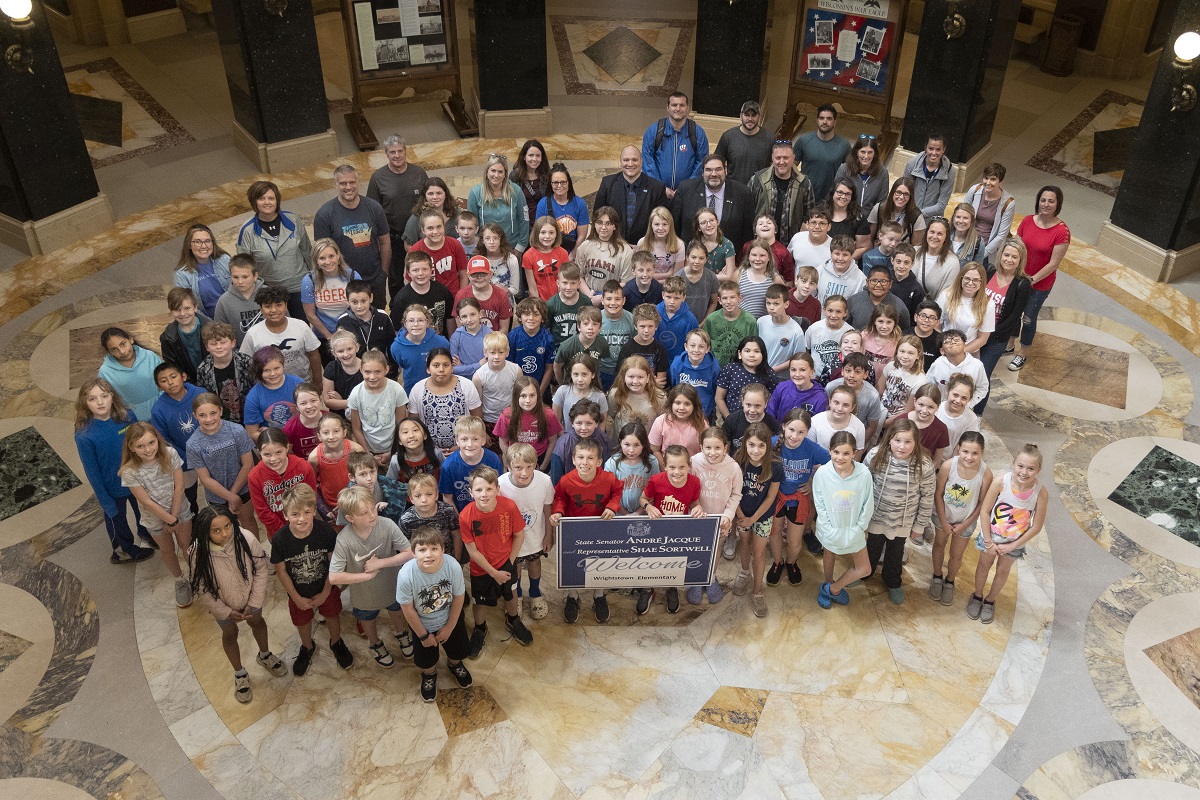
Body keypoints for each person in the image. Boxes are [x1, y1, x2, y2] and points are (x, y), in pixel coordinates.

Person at [189, 505, 286, 702]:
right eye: (216, 530)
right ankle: (240, 673)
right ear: (204, 531)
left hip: (251, 598)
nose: (224, 534)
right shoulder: (197, 552)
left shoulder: (246, 539)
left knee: (258, 622)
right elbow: (201, 587)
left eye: (227, 526)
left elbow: (260, 568)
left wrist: (254, 601)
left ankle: (265, 655)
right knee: (230, 634)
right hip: (224, 605)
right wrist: (224, 611)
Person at [330, 486, 416, 668]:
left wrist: (381, 564)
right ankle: (375, 643)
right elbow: (334, 577)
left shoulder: (387, 525)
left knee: (397, 611)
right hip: (364, 593)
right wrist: (366, 577)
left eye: (373, 508)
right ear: (350, 518)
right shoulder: (344, 539)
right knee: (367, 618)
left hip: (392, 585)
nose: (371, 515)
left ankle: (401, 634)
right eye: (363, 513)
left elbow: (410, 553)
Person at [270, 484, 352, 675]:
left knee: (332, 614)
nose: (301, 519)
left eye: (307, 512)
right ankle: (307, 647)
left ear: (314, 511)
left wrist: (325, 592)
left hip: (326, 586)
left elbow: (334, 563)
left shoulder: (326, 532)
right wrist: (295, 597)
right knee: (302, 620)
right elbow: (281, 570)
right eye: (295, 513)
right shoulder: (280, 539)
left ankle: (336, 642)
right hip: (298, 591)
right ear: (285, 514)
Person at [77, 380, 157, 565]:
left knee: (143, 509)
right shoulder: (84, 435)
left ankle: (146, 532)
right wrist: (105, 500)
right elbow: (92, 471)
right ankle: (123, 551)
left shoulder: (128, 417)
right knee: (117, 519)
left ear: (112, 396)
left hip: (138, 480)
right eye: (92, 398)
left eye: (104, 396)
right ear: (84, 403)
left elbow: (142, 445)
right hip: (112, 488)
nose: (100, 402)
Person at [968, 444, 1048, 624]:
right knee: (983, 566)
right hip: (991, 537)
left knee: (1003, 571)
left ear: (1038, 470)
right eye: (1020, 466)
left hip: (1014, 543)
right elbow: (985, 511)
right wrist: (988, 541)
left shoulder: (1040, 493)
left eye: (1031, 468)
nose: (1024, 472)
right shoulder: (1000, 482)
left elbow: (1036, 526)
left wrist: (1012, 545)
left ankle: (990, 600)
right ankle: (977, 595)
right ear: (1014, 464)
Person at [461, 465, 534, 654]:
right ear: (471, 492)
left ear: (497, 489)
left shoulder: (508, 506)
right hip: (481, 570)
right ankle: (480, 628)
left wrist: (508, 563)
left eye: (489, 489)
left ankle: (513, 620)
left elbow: (519, 535)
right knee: (480, 601)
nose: (484, 494)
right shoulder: (466, 516)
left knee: (511, 594)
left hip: (506, 564)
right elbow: (472, 550)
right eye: (478, 490)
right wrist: (493, 572)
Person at [550, 438, 624, 622]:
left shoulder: (607, 478)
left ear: (599, 461)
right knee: (572, 562)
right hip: (574, 529)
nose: (585, 462)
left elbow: (617, 492)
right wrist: (558, 512)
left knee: (601, 561)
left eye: (590, 458)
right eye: (580, 457)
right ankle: (572, 595)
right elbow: (559, 498)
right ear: (573, 460)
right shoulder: (567, 481)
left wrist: (612, 506)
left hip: (601, 527)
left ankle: (599, 595)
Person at [397, 526, 473, 702]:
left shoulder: (452, 565)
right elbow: (407, 608)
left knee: (458, 650)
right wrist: (423, 636)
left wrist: (449, 627)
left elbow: (459, 597)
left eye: (434, 548)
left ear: (443, 549)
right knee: (426, 661)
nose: (428, 554)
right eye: (422, 549)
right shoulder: (406, 574)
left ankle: (454, 664)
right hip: (422, 624)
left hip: (450, 619)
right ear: (413, 552)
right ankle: (429, 674)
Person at [120, 421, 193, 605]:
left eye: (151, 443)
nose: (147, 449)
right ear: (132, 447)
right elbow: (145, 501)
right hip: (155, 520)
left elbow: (180, 485)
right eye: (140, 446)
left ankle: (197, 575)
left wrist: (174, 518)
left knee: (187, 546)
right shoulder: (129, 471)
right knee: (167, 550)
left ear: (158, 440)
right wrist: (168, 520)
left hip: (180, 512)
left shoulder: (170, 454)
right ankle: (180, 581)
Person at [863, 419, 935, 604]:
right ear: (889, 439)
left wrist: (919, 525)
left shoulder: (924, 465)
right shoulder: (874, 455)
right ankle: (865, 573)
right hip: (876, 516)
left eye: (908, 442)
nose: (902, 447)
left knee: (895, 553)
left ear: (916, 442)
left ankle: (892, 581)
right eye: (897, 440)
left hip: (902, 522)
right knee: (871, 549)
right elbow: (863, 484)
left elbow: (927, 497)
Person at [638, 444, 705, 614]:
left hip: (678, 529)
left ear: (689, 466)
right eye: (672, 467)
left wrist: (697, 508)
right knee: (650, 559)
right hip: (657, 527)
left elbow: (694, 503)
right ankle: (647, 588)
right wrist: (648, 507)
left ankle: (671, 586)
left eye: (682, 467)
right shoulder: (657, 480)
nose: (677, 472)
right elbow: (643, 498)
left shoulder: (694, 482)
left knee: (675, 558)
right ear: (665, 466)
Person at [812, 430, 874, 609]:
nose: (840, 457)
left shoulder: (864, 474)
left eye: (846, 453)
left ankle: (832, 588)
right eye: (836, 452)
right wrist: (828, 528)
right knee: (829, 553)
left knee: (864, 568)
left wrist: (860, 527)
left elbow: (867, 502)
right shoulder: (822, 473)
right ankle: (828, 581)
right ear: (830, 451)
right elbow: (820, 504)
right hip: (830, 528)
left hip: (854, 529)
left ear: (854, 453)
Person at [929, 432, 991, 607]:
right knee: (939, 544)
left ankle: (949, 581)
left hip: (966, 521)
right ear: (958, 449)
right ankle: (936, 576)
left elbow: (982, 503)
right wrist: (943, 520)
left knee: (957, 554)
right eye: (965, 451)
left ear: (982, 452)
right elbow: (938, 493)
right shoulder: (948, 466)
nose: (969, 457)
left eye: (975, 453)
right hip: (944, 515)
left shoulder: (985, 474)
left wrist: (965, 524)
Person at [313, 165, 391, 305]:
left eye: (352, 182)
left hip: (374, 280)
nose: (348, 187)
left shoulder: (374, 208)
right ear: (336, 185)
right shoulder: (324, 214)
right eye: (343, 183)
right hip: (342, 283)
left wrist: (383, 274)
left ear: (358, 182)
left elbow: (385, 241)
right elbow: (321, 253)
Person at [1011, 186, 1069, 372]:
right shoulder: (1028, 221)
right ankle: (1009, 343)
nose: (1046, 204)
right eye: (1043, 200)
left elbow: (1054, 263)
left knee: (1028, 317)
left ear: (1058, 204)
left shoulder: (1062, 232)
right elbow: (1016, 248)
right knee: (1013, 312)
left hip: (1039, 284)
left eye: (1051, 201)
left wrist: (1032, 279)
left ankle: (1022, 353)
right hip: (1018, 277)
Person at [237, 180, 313, 321]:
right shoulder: (247, 231)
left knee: (302, 327)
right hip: (269, 292)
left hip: (298, 287)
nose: (267, 202)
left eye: (271, 198)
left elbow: (307, 251)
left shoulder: (293, 220)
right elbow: (243, 266)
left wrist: (315, 278)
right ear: (254, 202)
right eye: (261, 198)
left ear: (277, 200)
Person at [770, 409, 830, 581]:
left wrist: (812, 481)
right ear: (783, 427)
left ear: (807, 432)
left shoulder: (812, 449)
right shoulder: (773, 443)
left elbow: (832, 464)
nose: (794, 436)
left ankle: (791, 562)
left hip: (799, 499)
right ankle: (777, 562)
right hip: (776, 497)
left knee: (795, 541)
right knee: (774, 533)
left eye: (801, 432)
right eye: (791, 430)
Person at [187, 392, 259, 533]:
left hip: (243, 489)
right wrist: (230, 497)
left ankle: (254, 554)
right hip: (216, 496)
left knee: (248, 521)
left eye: (213, 413)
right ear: (195, 416)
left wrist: (234, 494)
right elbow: (205, 479)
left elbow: (248, 464)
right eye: (202, 415)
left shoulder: (237, 431)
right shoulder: (192, 444)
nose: (208, 419)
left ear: (220, 411)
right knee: (224, 529)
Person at [367, 134, 429, 296]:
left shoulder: (419, 173)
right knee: (395, 280)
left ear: (406, 151)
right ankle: (397, 309)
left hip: (419, 237)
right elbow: (372, 210)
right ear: (386, 154)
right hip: (392, 239)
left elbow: (429, 202)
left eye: (400, 151)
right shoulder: (378, 178)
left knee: (422, 274)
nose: (397, 156)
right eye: (392, 152)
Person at [731, 423, 782, 617]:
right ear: (744, 444)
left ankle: (758, 590)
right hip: (742, 514)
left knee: (759, 553)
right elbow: (732, 491)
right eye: (751, 444)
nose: (755, 450)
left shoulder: (775, 466)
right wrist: (742, 516)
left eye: (761, 445)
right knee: (744, 544)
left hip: (761, 517)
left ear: (768, 446)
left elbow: (770, 497)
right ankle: (744, 572)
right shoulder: (738, 461)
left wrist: (753, 519)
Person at [976, 238, 1031, 414]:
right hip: (974, 331)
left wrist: (988, 334)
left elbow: (1014, 317)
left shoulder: (1022, 284)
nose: (1009, 259)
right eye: (1006, 255)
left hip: (996, 338)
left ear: (1020, 260)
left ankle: (977, 413)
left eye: (1014, 257)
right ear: (1000, 256)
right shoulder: (989, 271)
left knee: (982, 375)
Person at [688, 428, 741, 604]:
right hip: (696, 517)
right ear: (701, 447)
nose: (712, 453)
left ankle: (710, 577)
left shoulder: (733, 467)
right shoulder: (693, 462)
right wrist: (695, 507)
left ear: (725, 447)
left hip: (720, 519)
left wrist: (728, 515)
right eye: (708, 448)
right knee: (696, 549)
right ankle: (696, 578)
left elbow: (736, 494)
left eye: (717, 448)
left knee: (715, 549)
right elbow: (685, 488)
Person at [673, 154, 755, 253]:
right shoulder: (685, 189)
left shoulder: (742, 193)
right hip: (692, 258)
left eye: (718, 169)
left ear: (726, 171)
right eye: (708, 170)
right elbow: (674, 226)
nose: (714, 174)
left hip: (730, 260)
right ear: (702, 172)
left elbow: (747, 233)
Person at [239, 285, 322, 383]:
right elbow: (245, 362)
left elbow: (313, 355)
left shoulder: (301, 326)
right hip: (268, 386)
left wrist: (318, 382)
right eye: (268, 306)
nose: (273, 310)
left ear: (286, 305)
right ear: (260, 309)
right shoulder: (253, 333)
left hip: (302, 384)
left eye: (278, 305)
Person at [248, 427, 318, 540]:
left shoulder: (303, 466)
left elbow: (312, 497)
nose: (273, 459)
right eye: (267, 454)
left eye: (278, 452)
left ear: (287, 447)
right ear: (259, 452)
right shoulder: (254, 476)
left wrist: (303, 522)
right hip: (277, 533)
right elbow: (262, 511)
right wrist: (284, 531)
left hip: (305, 525)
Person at [407, 348, 481, 453]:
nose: (441, 369)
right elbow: (414, 423)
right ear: (428, 369)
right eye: (436, 365)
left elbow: (476, 419)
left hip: (464, 449)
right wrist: (430, 448)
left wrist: (461, 446)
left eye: (446, 365)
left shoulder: (466, 385)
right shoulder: (418, 389)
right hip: (430, 450)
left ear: (452, 368)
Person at [592, 145, 669, 243]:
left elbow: (663, 220)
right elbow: (597, 216)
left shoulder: (656, 188)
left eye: (634, 160)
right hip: (612, 245)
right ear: (620, 162)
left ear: (641, 162)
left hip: (645, 247)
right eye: (626, 160)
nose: (630, 163)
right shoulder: (607, 184)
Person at [641, 91, 709, 196]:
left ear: (688, 108)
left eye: (682, 105)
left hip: (687, 194)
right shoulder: (654, 131)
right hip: (658, 193)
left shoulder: (697, 132)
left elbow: (702, 162)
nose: (678, 109)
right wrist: (660, 187)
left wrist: (686, 188)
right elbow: (647, 161)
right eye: (674, 105)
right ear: (667, 107)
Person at [751, 140, 817, 246]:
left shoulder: (804, 183)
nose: (782, 162)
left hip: (791, 243)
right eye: (778, 158)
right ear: (772, 158)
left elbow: (810, 213)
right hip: (760, 243)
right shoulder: (757, 180)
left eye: (786, 158)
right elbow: (747, 210)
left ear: (793, 158)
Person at [302, 238, 360, 347]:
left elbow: (361, 307)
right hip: (323, 336)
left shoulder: (353, 276)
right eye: (322, 258)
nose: (328, 262)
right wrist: (329, 337)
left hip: (351, 334)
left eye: (331, 256)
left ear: (338, 256)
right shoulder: (309, 280)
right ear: (316, 261)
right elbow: (310, 315)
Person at [467, 153, 531, 253]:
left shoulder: (516, 191)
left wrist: (520, 247)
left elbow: (524, 219)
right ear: (486, 172)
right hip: (485, 248)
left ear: (505, 173)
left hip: (511, 247)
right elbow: (470, 224)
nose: (496, 175)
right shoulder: (475, 193)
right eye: (493, 171)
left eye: (500, 172)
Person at [98, 327, 162, 423]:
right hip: (132, 420)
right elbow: (106, 399)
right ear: (110, 353)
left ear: (130, 339)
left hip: (161, 410)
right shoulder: (105, 372)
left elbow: (164, 380)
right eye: (114, 349)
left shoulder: (150, 357)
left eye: (123, 344)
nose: (122, 351)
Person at [496, 376, 562, 470]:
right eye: (523, 396)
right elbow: (503, 442)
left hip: (540, 458)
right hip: (515, 459)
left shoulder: (548, 414)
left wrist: (543, 466)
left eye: (532, 395)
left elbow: (553, 441)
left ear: (538, 396)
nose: (528, 401)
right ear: (516, 396)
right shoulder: (506, 415)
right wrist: (511, 463)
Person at [195, 322, 255, 424]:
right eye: (213, 344)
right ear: (207, 347)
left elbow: (255, 388)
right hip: (222, 420)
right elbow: (205, 397)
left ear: (232, 343)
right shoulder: (203, 369)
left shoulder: (246, 361)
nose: (219, 347)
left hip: (248, 415)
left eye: (223, 342)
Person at [308, 413, 363, 521]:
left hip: (355, 498)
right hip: (331, 503)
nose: (331, 437)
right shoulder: (314, 458)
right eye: (326, 432)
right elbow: (313, 483)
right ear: (319, 436)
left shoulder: (356, 450)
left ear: (344, 432)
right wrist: (323, 508)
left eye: (336, 431)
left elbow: (364, 474)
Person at [793, 104, 853, 202]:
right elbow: (792, 165)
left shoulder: (844, 145)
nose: (825, 122)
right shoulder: (804, 140)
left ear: (835, 122)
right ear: (817, 120)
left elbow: (850, 172)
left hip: (830, 199)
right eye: (821, 118)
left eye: (829, 119)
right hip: (804, 196)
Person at [390, 303, 451, 397]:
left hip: (439, 390)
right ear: (405, 324)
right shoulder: (396, 347)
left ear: (427, 323)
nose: (416, 324)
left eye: (420, 320)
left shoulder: (441, 343)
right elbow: (400, 364)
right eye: (411, 320)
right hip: (412, 392)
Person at [391, 251, 455, 339]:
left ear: (431, 270)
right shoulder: (401, 298)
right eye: (415, 270)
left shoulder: (442, 291)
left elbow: (450, 319)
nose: (421, 273)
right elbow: (397, 329)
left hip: (440, 343)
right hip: (415, 345)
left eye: (425, 269)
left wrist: (451, 343)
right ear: (409, 273)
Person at [939, 262, 996, 359]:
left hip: (969, 352)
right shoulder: (946, 295)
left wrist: (958, 352)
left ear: (981, 282)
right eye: (967, 278)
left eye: (975, 280)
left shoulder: (988, 304)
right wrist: (944, 348)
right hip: (943, 348)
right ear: (961, 278)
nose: (970, 283)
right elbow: (936, 324)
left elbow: (982, 338)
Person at [174, 224, 231, 320]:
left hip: (233, 315)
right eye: (198, 242)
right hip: (208, 322)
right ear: (189, 245)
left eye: (207, 241)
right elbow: (187, 307)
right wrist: (212, 325)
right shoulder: (182, 274)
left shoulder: (225, 260)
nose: (203, 246)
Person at [962, 163, 1016, 265]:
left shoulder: (1008, 203)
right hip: (967, 242)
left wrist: (982, 253)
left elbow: (1001, 236)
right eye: (986, 178)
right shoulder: (975, 190)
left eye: (993, 179)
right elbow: (962, 214)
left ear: (1000, 181)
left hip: (987, 248)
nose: (988, 182)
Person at [336, 280, 398, 368]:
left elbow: (392, 346)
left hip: (380, 369)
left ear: (371, 298)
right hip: (356, 370)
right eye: (354, 302)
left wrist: (393, 369)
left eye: (363, 301)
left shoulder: (383, 317)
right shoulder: (343, 322)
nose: (359, 306)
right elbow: (340, 349)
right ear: (347, 301)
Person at [409, 207, 469, 296]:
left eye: (439, 227)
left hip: (452, 297)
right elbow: (410, 279)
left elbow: (464, 275)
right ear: (423, 230)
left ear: (444, 226)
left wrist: (461, 298)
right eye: (430, 228)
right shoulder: (415, 249)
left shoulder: (454, 244)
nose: (435, 231)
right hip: (426, 298)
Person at [605, 421, 661, 516]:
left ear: (643, 445)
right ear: (620, 442)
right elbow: (608, 493)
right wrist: (624, 513)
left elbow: (655, 490)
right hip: (617, 514)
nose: (631, 450)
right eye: (627, 444)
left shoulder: (652, 462)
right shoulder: (612, 463)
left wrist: (638, 512)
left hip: (645, 514)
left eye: (636, 445)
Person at [159, 287, 212, 385]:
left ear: (195, 307)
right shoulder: (167, 338)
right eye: (177, 310)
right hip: (189, 383)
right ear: (171, 311)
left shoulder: (212, 328)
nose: (182, 314)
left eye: (187, 308)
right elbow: (173, 367)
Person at [926, 329, 989, 410]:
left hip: (965, 408)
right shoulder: (937, 364)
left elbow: (982, 387)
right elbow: (929, 386)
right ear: (942, 351)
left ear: (965, 345)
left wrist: (969, 404)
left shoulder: (977, 365)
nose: (953, 342)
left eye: (956, 340)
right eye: (947, 341)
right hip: (941, 408)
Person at [714, 100, 773, 185]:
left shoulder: (769, 138)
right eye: (746, 115)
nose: (750, 119)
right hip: (734, 189)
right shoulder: (728, 137)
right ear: (741, 116)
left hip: (759, 190)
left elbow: (774, 165)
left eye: (754, 115)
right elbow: (717, 162)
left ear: (759, 117)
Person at [718, 338, 779, 420]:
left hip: (759, 422)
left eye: (756, 351)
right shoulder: (730, 369)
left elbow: (773, 401)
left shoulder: (769, 374)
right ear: (740, 353)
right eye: (747, 351)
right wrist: (729, 419)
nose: (752, 355)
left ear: (763, 355)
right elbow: (719, 398)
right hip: (732, 419)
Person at [536, 162, 590, 254]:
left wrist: (572, 255)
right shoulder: (543, 204)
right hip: (550, 252)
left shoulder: (580, 203)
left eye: (563, 182)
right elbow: (539, 232)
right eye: (555, 183)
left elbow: (582, 235)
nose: (559, 186)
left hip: (573, 251)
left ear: (568, 183)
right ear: (551, 184)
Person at [606, 357, 665, 442]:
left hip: (647, 446)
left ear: (648, 378)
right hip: (621, 446)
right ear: (624, 377)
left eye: (640, 377)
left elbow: (662, 425)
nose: (635, 381)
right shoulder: (615, 394)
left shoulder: (659, 397)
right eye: (631, 377)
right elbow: (610, 419)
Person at [702, 281, 758, 367]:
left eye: (732, 297)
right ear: (719, 300)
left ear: (740, 298)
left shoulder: (750, 321)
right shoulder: (711, 319)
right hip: (715, 368)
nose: (728, 301)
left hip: (740, 369)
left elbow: (754, 347)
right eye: (724, 298)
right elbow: (705, 344)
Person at [902, 134, 956, 219]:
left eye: (938, 149)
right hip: (910, 215)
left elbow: (941, 205)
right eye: (931, 148)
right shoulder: (912, 164)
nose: (934, 153)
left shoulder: (950, 171)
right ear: (925, 148)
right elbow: (904, 192)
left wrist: (918, 214)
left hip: (932, 221)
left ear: (943, 150)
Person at [833, 134, 890, 215]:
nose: (866, 156)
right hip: (846, 217)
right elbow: (836, 196)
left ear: (875, 154)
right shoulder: (844, 169)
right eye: (863, 152)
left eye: (870, 152)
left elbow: (881, 203)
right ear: (856, 152)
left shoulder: (883, 173)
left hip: (869, 221)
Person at [401, 178, 462, 250]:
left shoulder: (457, 214)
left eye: (439, 193)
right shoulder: (416, 218)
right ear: (425, 196)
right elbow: (409, 246)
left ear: (445, 194)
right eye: (430, 194)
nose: (435, 197)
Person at [878, 335, 930, 419]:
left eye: (910, 353)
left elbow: (908, 411)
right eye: (902, 351)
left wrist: (883, 424)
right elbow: (879, 392)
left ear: (918, 355)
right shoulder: (890, 366)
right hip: (879, 412)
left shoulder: (920, 380)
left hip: (898, 419)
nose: (905, 356)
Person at [846, 265, 911, 331]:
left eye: (883, 281)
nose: (878, 285)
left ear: (890, 284)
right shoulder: (853, 301)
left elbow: (905, 332)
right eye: (874, 280)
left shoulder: (899, 306)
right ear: (867, 282)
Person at [868, 176, 927, 247]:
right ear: (892, 192)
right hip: (878, 252)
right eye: (898, 192)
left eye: (906, 194)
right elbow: (869, 239)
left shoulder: (915, 215)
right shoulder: (879, 208)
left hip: (901, 255)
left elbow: (916, 247)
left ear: (910, 197)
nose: (901, 197)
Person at [523, 215, 570, 302]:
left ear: (556, 234)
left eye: (551, 232)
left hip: (559, 299)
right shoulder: (528, 255)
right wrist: (539, 305)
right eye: (543, 232)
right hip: (539, 300)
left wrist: (559, 302)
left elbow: (565, 281)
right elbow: (532, 287)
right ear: (537, 234)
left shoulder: (563, 253)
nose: (547, 236)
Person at [915, 217, 961, 301]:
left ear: (946, 237)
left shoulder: (952, 263)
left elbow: (945, 297)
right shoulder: (915, 252)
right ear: (927, 233)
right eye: (932, 232)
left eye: (939, 234)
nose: (934, 236)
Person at [827, 178, 872, 260]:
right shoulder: (821, 212)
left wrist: (844, 260)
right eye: (840, 192)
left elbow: (863, 247)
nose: (843, 197)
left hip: (844, 264)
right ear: (833, 192)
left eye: (848, 194)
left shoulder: (858, 218)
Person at [639, 206, 687, 282]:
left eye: (664, 224)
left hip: (670, 288)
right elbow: (641, 274)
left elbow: (677, 277)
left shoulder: (679, 245)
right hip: (647, 286)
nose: (660, 228)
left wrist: (656, 279)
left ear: (670, 225)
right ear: (651, 225)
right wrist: (668, 275)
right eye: (657, 224)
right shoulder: (642, 243)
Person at [510, 139, 551, 226]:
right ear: (524, 157)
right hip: (523, 224)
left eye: (538, 156)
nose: (534, 159)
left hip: (544, 224)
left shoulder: (548, 175)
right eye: (531, 155)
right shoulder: (515, 176)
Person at [786, 206, 832, 279]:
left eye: (822, 223)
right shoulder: (797, 238)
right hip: (797, 288)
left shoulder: (833, 246)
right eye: (813, 222)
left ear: (829, 226)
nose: (817, 227)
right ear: (807, 224)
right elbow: (787, 262)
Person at [948, 202, 989, 267]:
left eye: (965, 218)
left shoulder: (978, 243)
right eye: (958, 217)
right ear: (953, 218)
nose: (961, 221)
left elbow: (977, 269)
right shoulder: (944, 235)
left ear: (972, 221)